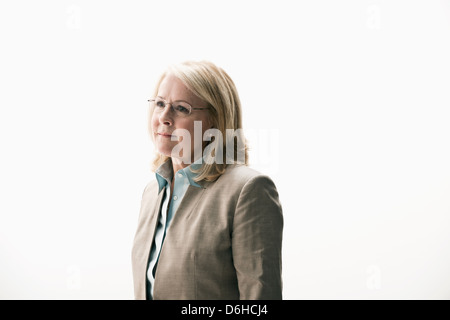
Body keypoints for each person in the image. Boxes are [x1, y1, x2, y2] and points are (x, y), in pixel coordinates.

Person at [131, 61, 283, 300]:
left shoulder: (248, 190)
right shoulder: (153, 192)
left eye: (181, 108)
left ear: (214, 119)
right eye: (160, 104)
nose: (164, 117)